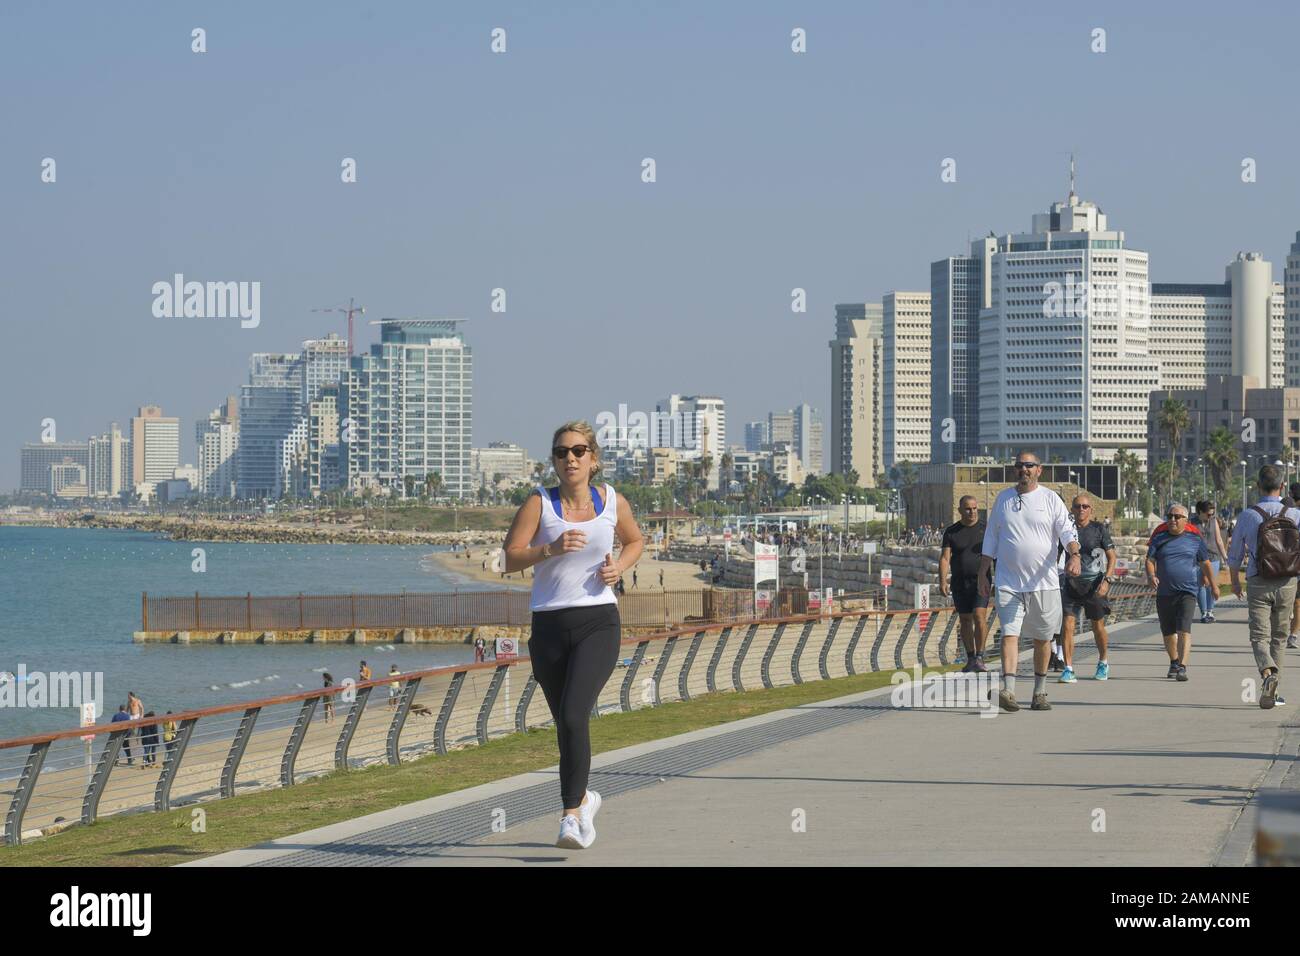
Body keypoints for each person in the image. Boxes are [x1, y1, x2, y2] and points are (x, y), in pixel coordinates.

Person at [502, 420, 645, 849]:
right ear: (554, 460)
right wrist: (550, 548)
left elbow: (636, 541)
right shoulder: (538, 504)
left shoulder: (611, 502)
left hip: (598, 621)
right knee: (566, 726)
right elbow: (509, 559)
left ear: (594, 459)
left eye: (579, 451)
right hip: (547, 626)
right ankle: (585, 801)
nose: (571, 458)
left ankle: (568, 817)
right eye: (562, 452)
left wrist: (620, 567)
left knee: (572, 715)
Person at [978, 451, 1082, 712]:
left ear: (1039, 469)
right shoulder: (1003, 498)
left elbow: (1067, 531)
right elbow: (991, 537)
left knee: (1042, 639)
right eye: (1019, 466)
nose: (1023, 469)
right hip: (1008, 582)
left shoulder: (1050, 499)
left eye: (1028, 466)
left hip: (1043, 584)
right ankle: (1009, 691)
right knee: (1009, 635)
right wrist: (983, 573)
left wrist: (1074, 555)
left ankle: (1039, 691)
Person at [1228, 465, 1300, 709]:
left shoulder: (1249, 515)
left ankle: (1267, 672)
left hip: (1259, 580)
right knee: (1279, 637)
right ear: (1282, 487)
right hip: (1288, 581)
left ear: (1258, 486)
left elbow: (1235, 553)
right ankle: (1275, 689)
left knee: (1259, 636)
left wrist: (1235, 581)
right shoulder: (1295, 514)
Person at [1148, 503, 1214, 681]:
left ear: (1185, 519)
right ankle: (1174, 661)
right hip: (1164, 592)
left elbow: (1205, 562)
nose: (1172, 520)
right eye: (1169, 516)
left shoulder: (1195, 538)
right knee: (1168, 632)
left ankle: (1183, 667)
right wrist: (1151, 575)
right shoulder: (1159, 537)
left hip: (1188, 591)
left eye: (1177, 517)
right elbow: (1150, 559)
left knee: (1184, 629)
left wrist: (1213, 585)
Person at [1058, 494, 1117, 683]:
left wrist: (1107, 580)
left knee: (1097, 626)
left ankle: (1103, 662)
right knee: (1067, 626)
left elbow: (1112, 557)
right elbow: (1054, 556)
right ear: (1072, 510)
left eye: (1085, 506)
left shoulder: (1099, 529)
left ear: (1091, 509)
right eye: (1077, 506)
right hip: (1071, 585)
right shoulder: (1066, 531)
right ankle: (1068, 668)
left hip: (1095, 585)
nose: (1081, 509)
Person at [938, 495, 991, 673]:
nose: (972, 512)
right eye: (968, 509)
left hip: (981, 581)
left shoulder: (986, 529)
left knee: (979, 615)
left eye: (975, 508)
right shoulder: (952, 531)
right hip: (959, 582)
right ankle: (970, 658)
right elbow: (945, 558)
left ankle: (980, 656)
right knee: (965, 619)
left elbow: (997, 555)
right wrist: (942, 580)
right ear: (960, 511)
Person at [1190, 500, 1228, 625]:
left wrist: (1224, 556)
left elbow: (1219, 540)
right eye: (1208, 514)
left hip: (1213, 557)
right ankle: (1204, 612)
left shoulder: (1214, 521)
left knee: (1211, 583)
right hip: (1197, 558)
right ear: (1200, 512)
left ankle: (1210, 611)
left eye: (1212, 514)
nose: (1210, 516)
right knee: (1200, 584)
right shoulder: (1192, 522)